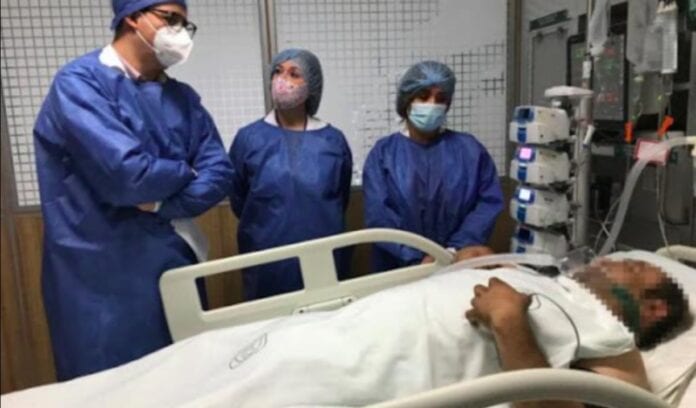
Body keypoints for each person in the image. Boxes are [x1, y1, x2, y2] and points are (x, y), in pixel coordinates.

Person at [2, 258, 690, 407]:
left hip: (358, 369)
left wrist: (512, 323)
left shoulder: (614, 337)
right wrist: (463, 267)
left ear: (653, 309)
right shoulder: (546, 273)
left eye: (633, 266)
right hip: (316, 334)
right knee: (163, 375)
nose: (610, 261)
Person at [33, 0, 233, 380]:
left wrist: (161, 204)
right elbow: (128, 176)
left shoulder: (183, 99)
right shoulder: (80, 84)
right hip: (99, 277)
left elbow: (220, 173)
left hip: (175, 262)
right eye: (170, 19)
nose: (179, 32)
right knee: (113, 386)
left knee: (183, 380)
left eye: (185, 25)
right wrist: (187, 170)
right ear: (132, 17)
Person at [228, 49, 353, 300]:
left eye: (294, 74)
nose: (283, 80)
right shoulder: (249, 138)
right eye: (278, 72)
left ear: (312, 85)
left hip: (323, 256)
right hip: (266, 259)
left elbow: (341, 197)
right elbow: (239, 199)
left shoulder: (332, 140)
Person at [363, 61, 504, 272]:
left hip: (458, 264)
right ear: (407, 101)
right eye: (423, 96)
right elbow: (379, 216)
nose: (432, 104)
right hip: (399, 269)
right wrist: (416, 257)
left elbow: (487, 204)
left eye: (440, 99)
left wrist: (455, 250)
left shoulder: (470, 151)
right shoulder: (384, 154)